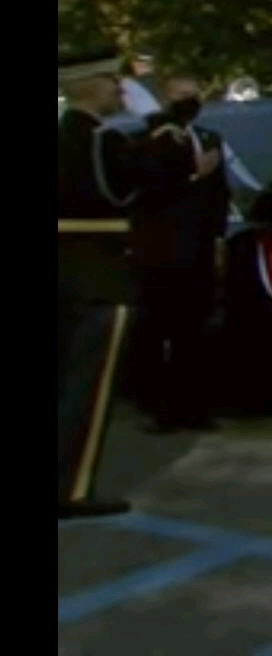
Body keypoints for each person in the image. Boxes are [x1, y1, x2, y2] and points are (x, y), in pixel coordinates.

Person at [59, 45, 145, 519]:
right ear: (94, 84)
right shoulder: (103, 142)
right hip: (100, 273)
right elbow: (134, 187)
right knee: (88, 390)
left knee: (62, 382)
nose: (119, 88)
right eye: (113, 80)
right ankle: (71, 488)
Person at [130, 74, 228, 433]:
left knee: (195, 332)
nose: (188, 100)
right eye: (180, 95)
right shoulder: (145, 141)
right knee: (158, 331)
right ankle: (159, 409)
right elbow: (148, 191)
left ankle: (194, 407)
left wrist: (217, 239)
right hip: (161, 252)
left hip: (197, 250)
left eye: (193, 94)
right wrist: (192, 175)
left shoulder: (209, 139)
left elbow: (220, 195)